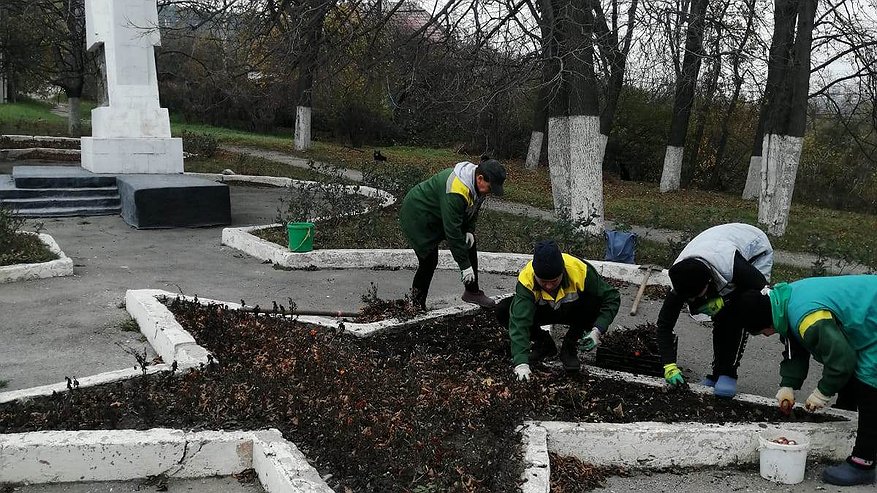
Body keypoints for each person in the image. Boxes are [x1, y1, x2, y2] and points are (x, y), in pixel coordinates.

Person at [735, 276, 877, 487]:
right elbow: (795, 345)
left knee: (869, 384)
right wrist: (788, 385)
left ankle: (862, 464)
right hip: (866, 314)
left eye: (761, 332)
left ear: (764, 323)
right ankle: (849, 412)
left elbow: (842, 360)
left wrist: (823, 392)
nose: (765, 336)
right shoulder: (785, 300)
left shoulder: (807, 318)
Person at [657, 223, 773, 397]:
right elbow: (664, 324)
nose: (693, 301)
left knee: (738, 312)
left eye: (696, 296)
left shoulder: (733, 267)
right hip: (715, 244)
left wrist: (728, 302)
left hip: (755, 249)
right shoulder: (680, 277)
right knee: (719, 316)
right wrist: (669, 365)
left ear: (708, 282)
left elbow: (764, 292)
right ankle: (716, 374)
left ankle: (728, 373)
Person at [496, 240, 620, 380]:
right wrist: (521, 363)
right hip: (543, 312)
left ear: (562, 271)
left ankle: (570, 346)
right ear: (536, 274)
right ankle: (544, 343)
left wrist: (597, 330)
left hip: (574, 311)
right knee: (504, 309)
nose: (549, 286)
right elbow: (519, 321)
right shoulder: (527, 280)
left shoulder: (579, 270)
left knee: (595, 301)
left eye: (554, 281)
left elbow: (612, 297)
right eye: (543, 282)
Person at [399, 156, 507, 310]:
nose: (489, 192)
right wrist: (464, 266)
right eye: (490, 188)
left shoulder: (478, 186)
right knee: (429, 261)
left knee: (470, 242)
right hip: (418, 216)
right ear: (480, 178)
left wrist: (469, 230)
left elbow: (473, 210)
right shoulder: (456, 190)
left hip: (438, 213)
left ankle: (472, 292)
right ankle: (417, 305)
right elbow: (453, 232)